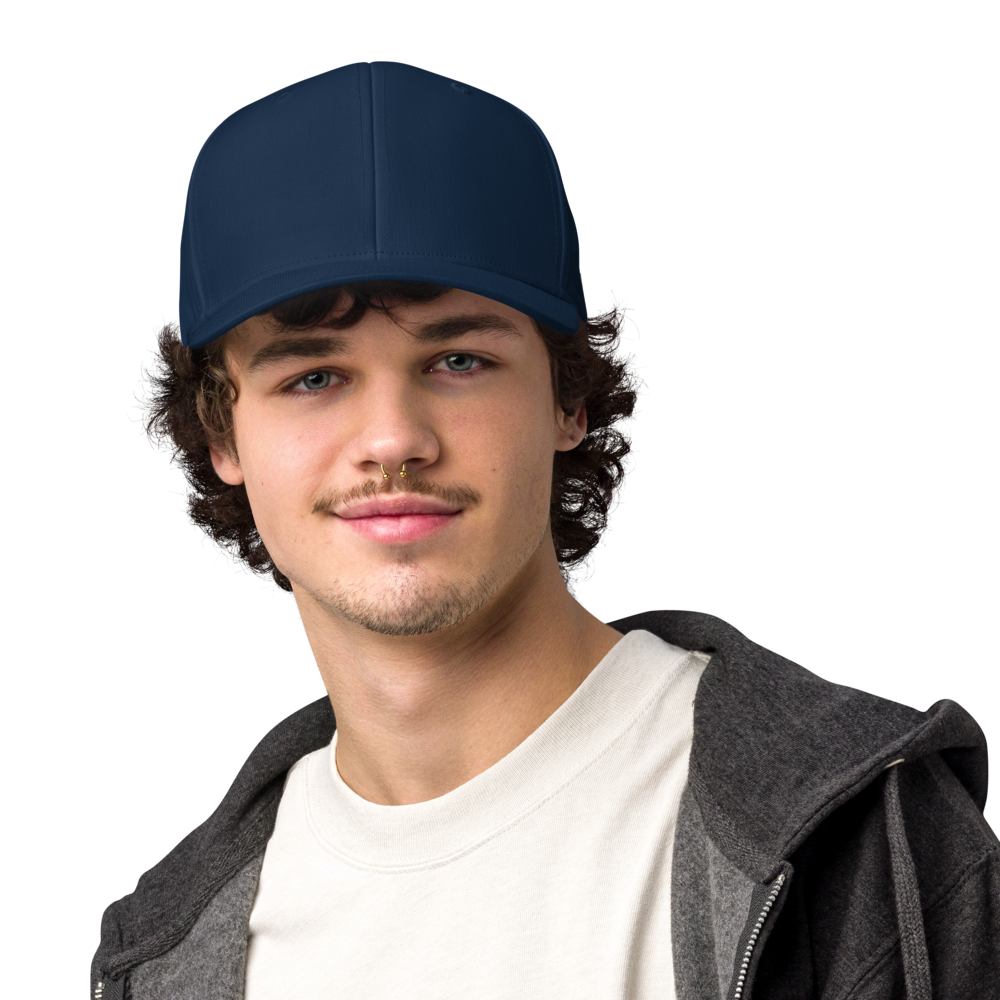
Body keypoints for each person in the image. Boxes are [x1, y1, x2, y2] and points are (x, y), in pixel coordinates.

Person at [91, 61, 997, 1000]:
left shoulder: (857, 830)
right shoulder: (158, 956)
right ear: (219, 432)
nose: (394, 438)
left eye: (458, 358)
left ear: (569, 400)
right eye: (313, 377)